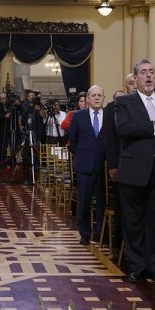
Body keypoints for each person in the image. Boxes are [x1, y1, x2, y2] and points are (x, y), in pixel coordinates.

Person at [113, 60, 155, 283]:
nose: (148, 76)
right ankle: (137, 265)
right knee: (133, 221)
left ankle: (153, 265)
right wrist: (153, 125)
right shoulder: (125, 102)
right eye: (143, 73)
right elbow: (124, 128)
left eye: (152, 72)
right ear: (136, 78)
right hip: (133, 171)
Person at [69, 85, 106, 246]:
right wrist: (84, 154)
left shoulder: (110, 116)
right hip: (84, 165)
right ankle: (84, 233)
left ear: (103, 98)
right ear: (88, 99)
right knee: (83, 202)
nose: (97, 98)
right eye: (94, 95)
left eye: (100, 95)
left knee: (102, 201)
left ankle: (100, 232)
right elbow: (73, 140)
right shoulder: (78, 116)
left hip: (104, 165)